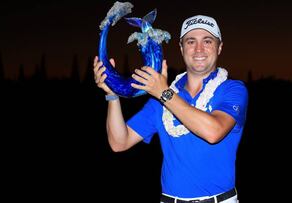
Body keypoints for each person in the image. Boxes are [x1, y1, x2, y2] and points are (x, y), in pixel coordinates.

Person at [93, 14, 248, 203]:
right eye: (191, 42)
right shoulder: (162, 100)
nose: (199, 49)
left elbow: (213, 131)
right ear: (181, 48)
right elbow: (119, 142)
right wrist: (113, 95)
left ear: (220, 47)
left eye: (207, 41)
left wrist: (163, 93)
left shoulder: (232, 89)